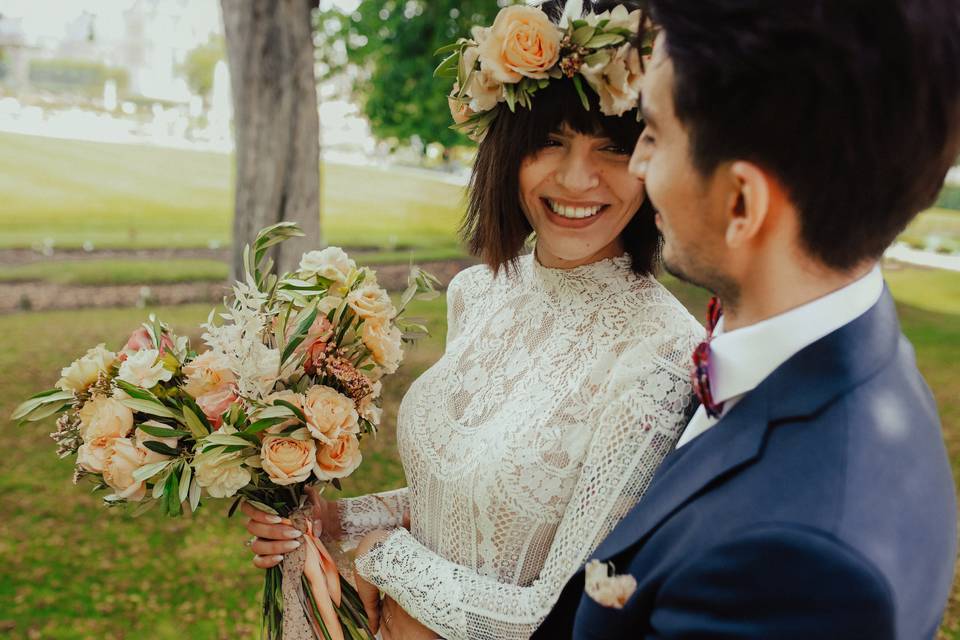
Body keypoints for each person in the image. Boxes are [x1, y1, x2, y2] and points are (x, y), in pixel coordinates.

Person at [242, 1, 704, 638]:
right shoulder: (479, 293)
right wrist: (334, 522)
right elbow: (468, 502)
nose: (577, 178)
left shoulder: (662, 357)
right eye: (550, 141)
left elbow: (562, 612)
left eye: (613, 148)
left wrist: (383, 558)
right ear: (507, 150)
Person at [535, 1, 960, 638]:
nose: (640, 166)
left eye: (652, 133)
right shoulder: (859, 355)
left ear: (741, 201)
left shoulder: (800, 574)